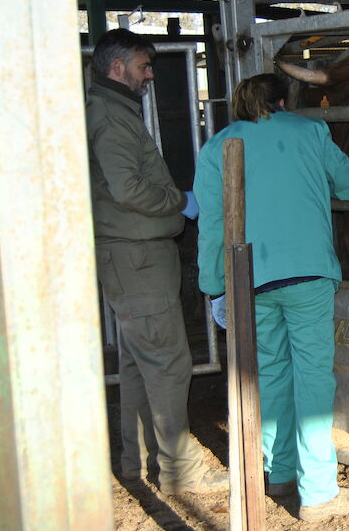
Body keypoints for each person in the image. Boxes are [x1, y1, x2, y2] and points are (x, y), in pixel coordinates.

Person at [194, 73, 349, 521]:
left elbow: (213, 225)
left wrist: (215, 287)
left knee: (269, 373)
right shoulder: (310, 131)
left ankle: (279, 472)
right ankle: (318, 493)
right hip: (308, 275)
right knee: (312, 376)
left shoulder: (216, 147)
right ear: (286, 101)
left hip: (249, 278)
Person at [86, 28, 229, 495]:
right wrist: (178, 203)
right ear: (117, 67)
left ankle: (138, 460)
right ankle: (180, 471)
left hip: (133, 256)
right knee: (167, 361)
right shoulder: (110, 117)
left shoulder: (111, 111)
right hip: (137, 257)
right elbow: (127, 188)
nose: (149, 75)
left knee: (138, 361)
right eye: (143, 66)